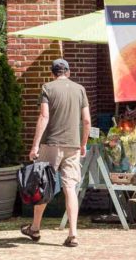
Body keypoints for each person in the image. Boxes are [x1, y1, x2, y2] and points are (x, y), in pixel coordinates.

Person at [23, 59, 91, 247]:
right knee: (70, 189)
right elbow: (86, 121)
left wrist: (35, 145)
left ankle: (35, 228)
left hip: (51, 144)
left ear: (53, 73)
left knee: (43, 187)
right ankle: (73, 234)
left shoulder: (48, 88)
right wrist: (83, 143)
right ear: (68, 72)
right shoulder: (80, 89)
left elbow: (44, 116)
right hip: (73, 145)